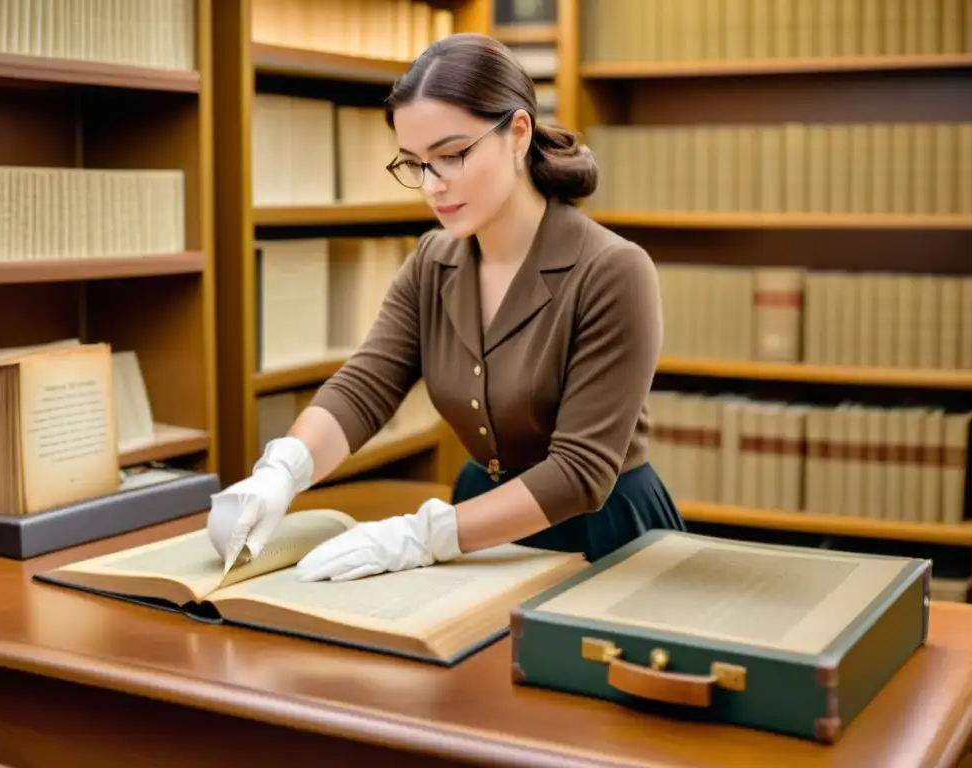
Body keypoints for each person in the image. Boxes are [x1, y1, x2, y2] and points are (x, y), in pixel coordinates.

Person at [208, 32, 686, 583]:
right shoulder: (433, 261)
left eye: (452, 155)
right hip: (476, 524)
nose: (433, 186)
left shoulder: (613, 271)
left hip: (599, 535)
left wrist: (423, 536)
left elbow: (580, 472)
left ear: (518, 134)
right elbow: (367, 386)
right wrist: (283, 470)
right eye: (414, 164)